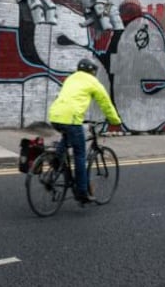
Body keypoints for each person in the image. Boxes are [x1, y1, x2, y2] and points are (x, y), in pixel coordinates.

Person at [47, 58, 122, 203]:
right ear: (92, 71)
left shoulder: (70, 78)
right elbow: (105, 103)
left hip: (55, 116)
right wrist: (115, 121)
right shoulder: (92, 81)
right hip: (72, 119)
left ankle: (56, 163)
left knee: (67, 138)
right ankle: (83, 192)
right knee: (80, 155)